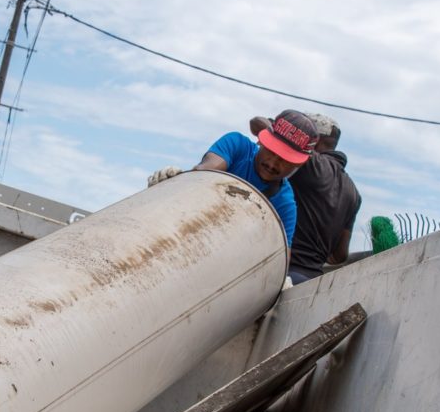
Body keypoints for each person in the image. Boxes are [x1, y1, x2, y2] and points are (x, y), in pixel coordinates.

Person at [148, 109, 320, 247]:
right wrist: (177, 181)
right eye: (271, 151)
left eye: (285, 159)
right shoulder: (237, 146)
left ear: (297, 165)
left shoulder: (284, 203)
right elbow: (205, 172)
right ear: (262, 142)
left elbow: (280, 256)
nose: (273, 163)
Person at [250, 112, 360, 283]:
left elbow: (259, 124)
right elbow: (340, 255)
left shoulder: (310, 164)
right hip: (312, 281)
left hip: (279, 276)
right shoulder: (354, 194)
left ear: (314, 142)